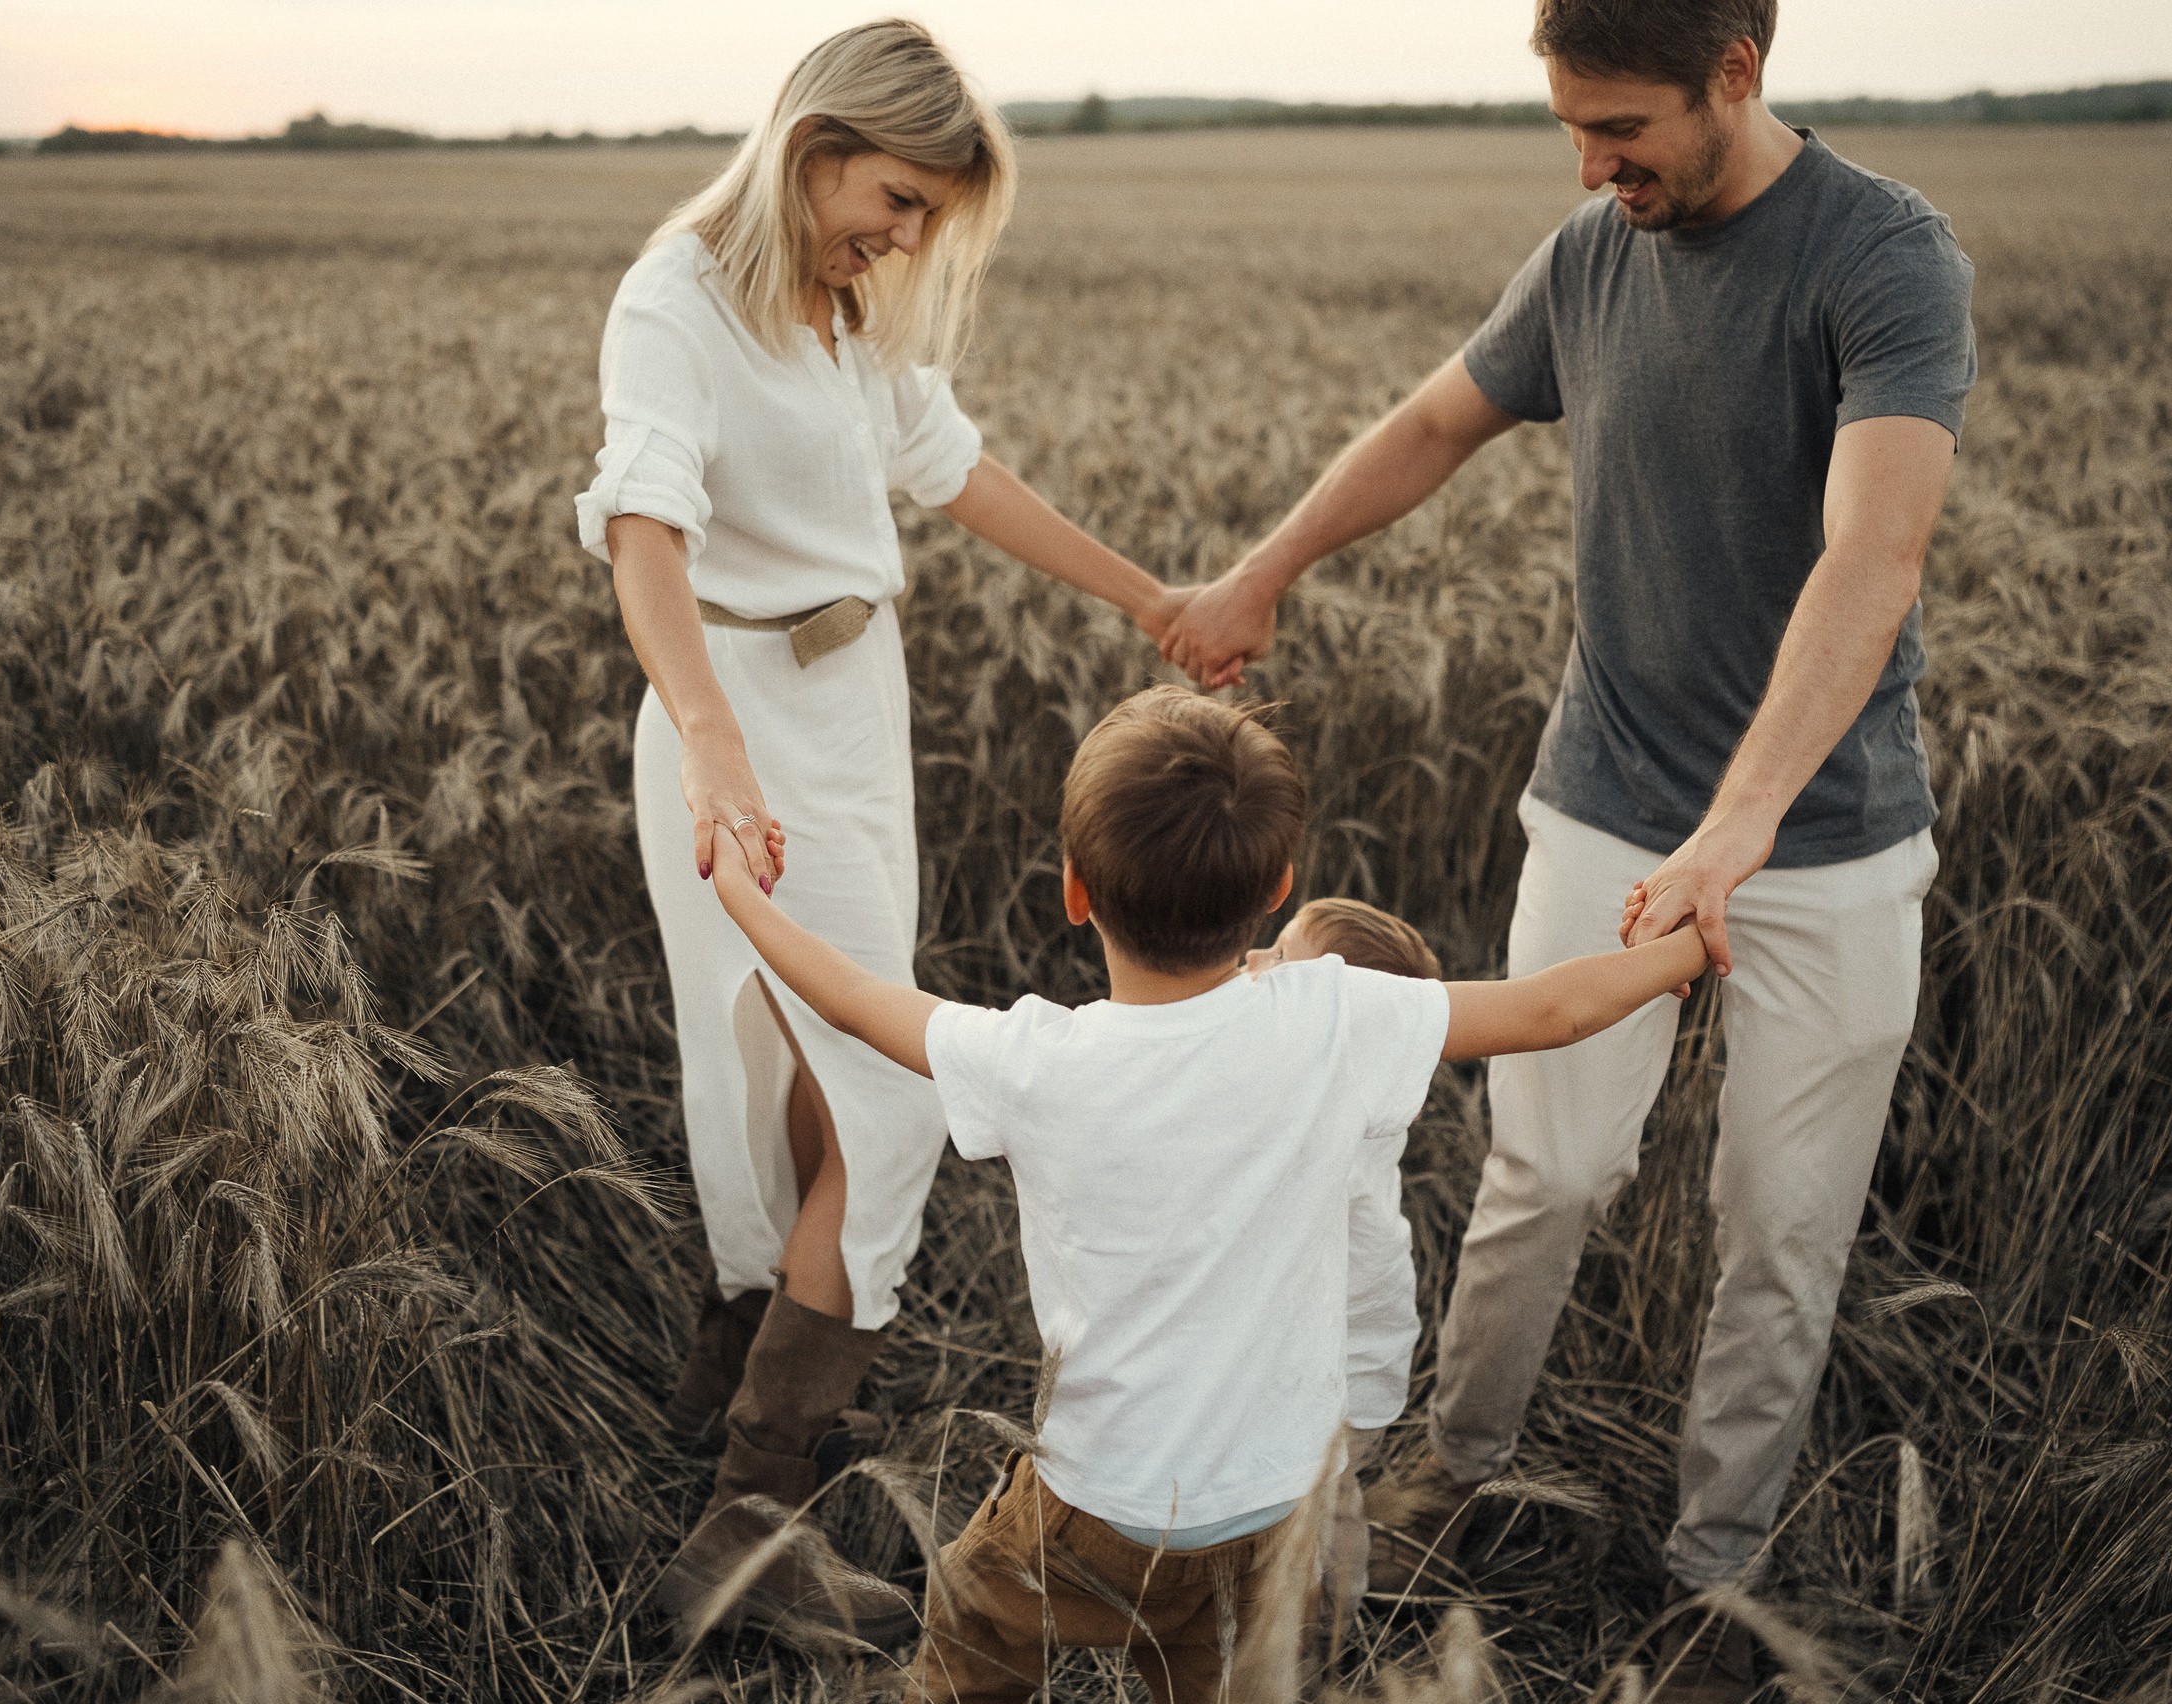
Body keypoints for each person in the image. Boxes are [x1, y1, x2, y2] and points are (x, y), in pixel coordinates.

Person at [1159, 0, 1975, 1694]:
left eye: (1621, 130)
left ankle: (1714, 1569)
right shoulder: (1592, 251)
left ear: (1734, 78)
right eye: (1571, 130)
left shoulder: (1884, 255)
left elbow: (1871, 557)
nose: (1593, 168)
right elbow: (1437, 422)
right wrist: (1263, 567)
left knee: (1783, 1218)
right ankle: (1454, 1458)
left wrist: (1740, 826)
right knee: (1546, 1167)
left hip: (1826, 844)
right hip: (1605, 795)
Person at [703, 686, 1709, 1700]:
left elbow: (855, 1001)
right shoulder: (1334, 1019)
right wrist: (1684, 945)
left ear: (1073, 891)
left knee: (973, 1623)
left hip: (1097, 1503)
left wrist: (745, 897)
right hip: (1276, 1514)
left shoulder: (1036, 1060)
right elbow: (1554, 1009)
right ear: (1276, 887)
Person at [573, 20, 1194, 1644]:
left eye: (926, 217)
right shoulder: (678, 298)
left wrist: (1151, 599)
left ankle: (723, 1426)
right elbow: (643, 534)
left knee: (808, 1091)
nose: (905, 238)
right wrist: (713, 747)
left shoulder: (847, 315)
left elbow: (960, 472)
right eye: (899, 198)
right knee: (882, 1101)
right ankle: (743, 1524)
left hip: (851, 725)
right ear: (815, 144)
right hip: (734, 728)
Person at [1243, 899, 1442, 1636]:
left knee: (1314, 1504)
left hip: (1334, 1369)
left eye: (1285, 963)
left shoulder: (1325, 1117)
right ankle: (1325, 1617)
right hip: (1325, 1354)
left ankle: (1324, 1627)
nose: (1258, 962)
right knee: (1325, 1498)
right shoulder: (1342, 1088)